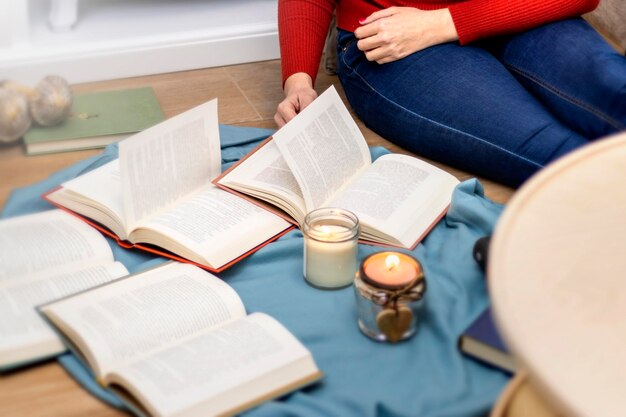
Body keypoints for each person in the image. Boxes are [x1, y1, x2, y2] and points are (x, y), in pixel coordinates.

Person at [274, 0, 626, 187]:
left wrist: (443, 22)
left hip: (520, 10)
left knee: (614, 88)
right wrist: (299, 81)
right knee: (557, 153)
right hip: (393, 35)